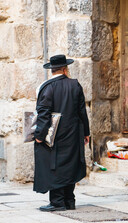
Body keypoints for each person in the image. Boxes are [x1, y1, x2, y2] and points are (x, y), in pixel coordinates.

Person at [34, 54, 90, 212]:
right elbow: (82, 112)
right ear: (65, 69)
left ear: (52, 70)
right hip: (73, 133)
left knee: (54, 166)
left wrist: (39, 136)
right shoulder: (75, 85)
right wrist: (86, 133)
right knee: (70, 165)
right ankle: (69, 201)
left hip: (54, 136)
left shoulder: (47, 87)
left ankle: (58, 202)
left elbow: (44, 115)